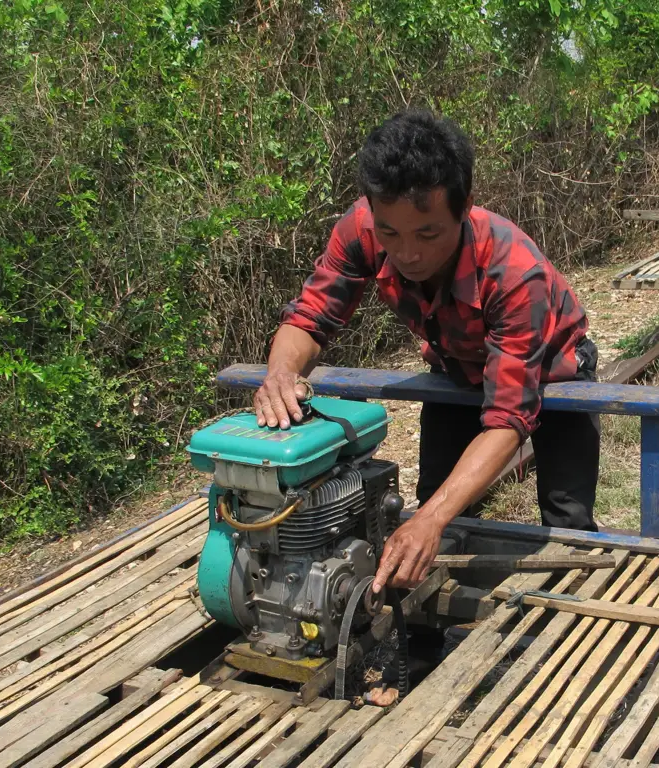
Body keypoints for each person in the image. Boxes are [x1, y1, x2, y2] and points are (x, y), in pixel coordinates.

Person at [253, 108, 600, 596]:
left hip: (552, 371)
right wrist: (281, 374)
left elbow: (506, 419)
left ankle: (566, 621)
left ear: (465, 208)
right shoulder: (363, 227)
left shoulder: (514, 272)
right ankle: (440, 630)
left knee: (566, 522)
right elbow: (310, 318)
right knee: (435, 503)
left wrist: (432, 519)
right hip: (456, 368)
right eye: (390, 234)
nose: (407, 253)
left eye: (428, 234)